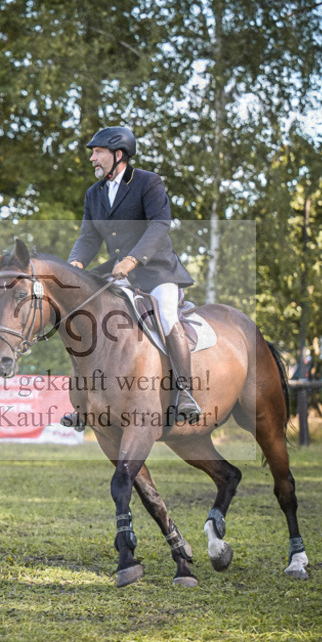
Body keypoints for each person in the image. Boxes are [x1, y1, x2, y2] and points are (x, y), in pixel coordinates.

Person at [62, 126, 200, 428]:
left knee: (165, 316)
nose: (92, 159)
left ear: (118, 154)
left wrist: (133, 259)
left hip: (157, 271)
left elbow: (159, 225)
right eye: (93, 153)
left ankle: (186, 393)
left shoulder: (148, 183)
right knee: (91, 321)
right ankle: (85, 402)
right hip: (119, 273)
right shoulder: (93, 194)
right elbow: (88, 237)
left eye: (97, 153)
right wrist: (76, 263)